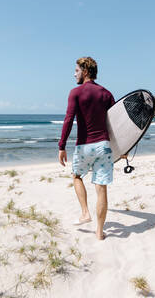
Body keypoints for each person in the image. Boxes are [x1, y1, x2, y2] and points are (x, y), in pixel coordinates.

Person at [58, 57, 115, 240]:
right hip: (104, 146)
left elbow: (68, 120)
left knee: (76, 176)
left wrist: (62, 146)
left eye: (76, 70)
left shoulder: (76, 92)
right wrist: (123, 148)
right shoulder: (106, 94)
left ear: (85, 71)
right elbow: (115, 124)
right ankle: (99, 233)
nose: (74, 74)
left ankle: (85, 213)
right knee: (101, 188)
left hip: (84, 146)